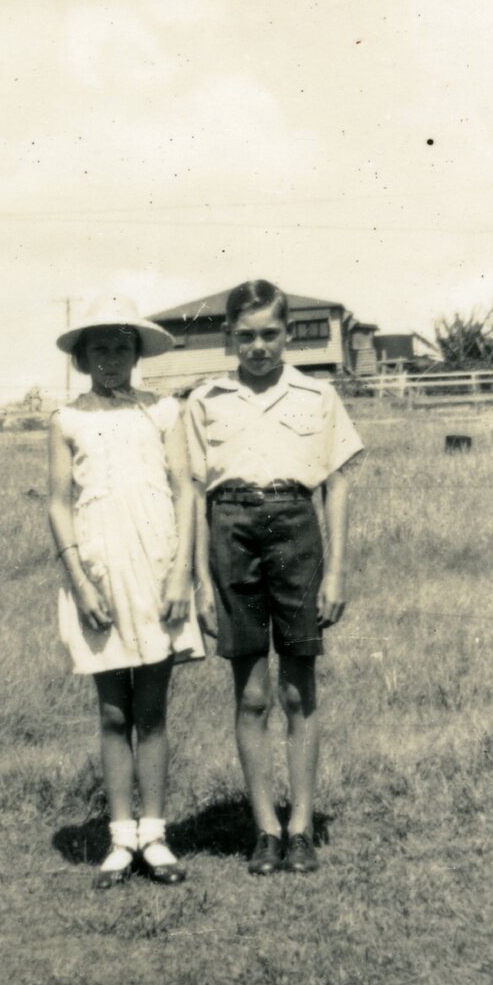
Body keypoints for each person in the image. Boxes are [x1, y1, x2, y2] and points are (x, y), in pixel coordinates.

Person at [186, 280, 363, 876]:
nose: (258, 346)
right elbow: (191, 492)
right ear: (228, 337)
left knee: (298, 688)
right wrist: (199, 583)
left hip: (295, 528)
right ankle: (265, 828)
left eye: (269, 334)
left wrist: (336, 570)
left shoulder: (317, 395)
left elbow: (336, 483)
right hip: (230, 528)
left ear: (286, 333)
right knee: (252, 691)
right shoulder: (206, 399)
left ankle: (302, 826)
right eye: (246, 335)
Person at [48, 293, 204, 889]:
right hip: (98, 574)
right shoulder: (67, 419)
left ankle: (156, 835)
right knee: (114, 712)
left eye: (121, 346)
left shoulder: (163, 411)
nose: (110, 358)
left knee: (153, 710)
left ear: (136, 353)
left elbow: (186, 492)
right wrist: (79, 581)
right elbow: (59, 505)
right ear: (83, 359)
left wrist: (181, 572)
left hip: (155, 567)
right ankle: (120, 838)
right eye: (98, 349)